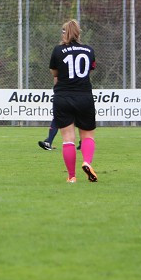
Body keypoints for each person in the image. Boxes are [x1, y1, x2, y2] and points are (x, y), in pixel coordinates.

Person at [49, 19, 98, 183]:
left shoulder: (58, 50)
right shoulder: (89, 50)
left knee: (68, 138)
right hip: (84, 96)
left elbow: (54, 73)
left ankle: (71, 176)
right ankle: (87, 162)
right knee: (87, 136)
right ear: (79, 33)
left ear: (64, 33)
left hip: (63, 97)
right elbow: (90, 69)